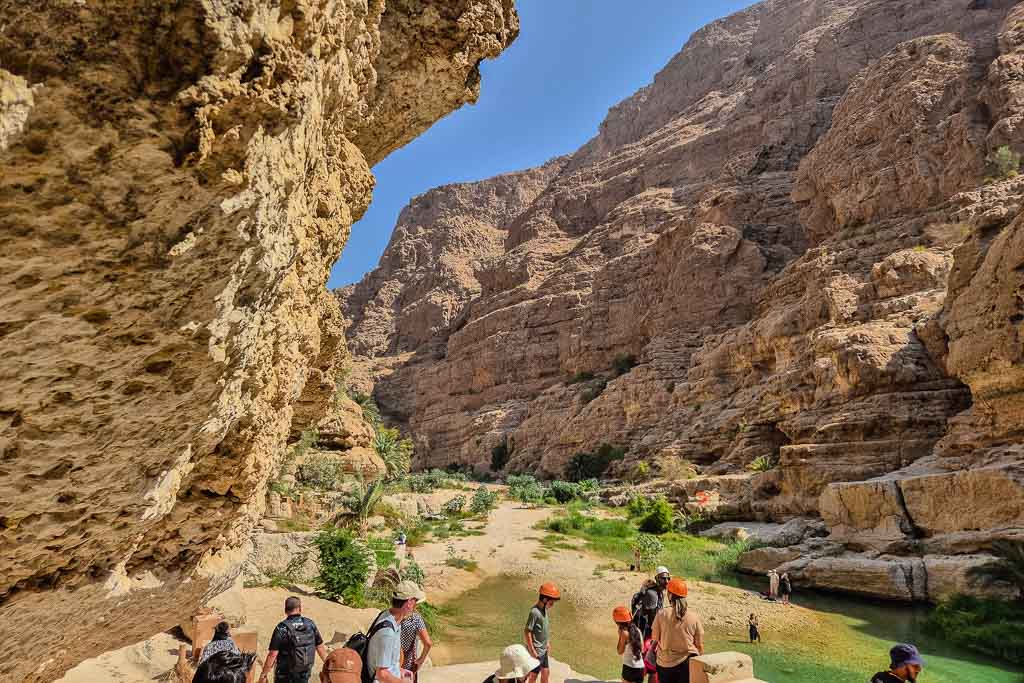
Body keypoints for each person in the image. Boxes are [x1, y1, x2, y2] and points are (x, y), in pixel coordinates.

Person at [367, 580, 426, 683]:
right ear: (409, 603)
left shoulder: (389, 617)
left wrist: (401, 671)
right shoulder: (387, 634)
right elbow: (382, 674)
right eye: (415, 602)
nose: (416, 606)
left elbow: (389, 663)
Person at [260, 596, 329, 683]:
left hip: (284, 674)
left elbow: (273, 654)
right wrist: (328, 665)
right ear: (300, 609)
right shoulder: (310, 624)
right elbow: (320, 647)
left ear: (285, 610)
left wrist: (263, 674)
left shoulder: (281, 628)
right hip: (304, 672)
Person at [650, 578, 704, 683]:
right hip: (686, 663)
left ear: (670, 595)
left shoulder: (662, 614)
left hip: (664, 664)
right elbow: (700, 645)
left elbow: (654, 638)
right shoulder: (694, 617)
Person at [525, 582, 560, 683]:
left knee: (546, 672)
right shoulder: (534, 612)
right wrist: (532, 650)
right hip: (537, 651)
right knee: (533, 676)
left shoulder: (544, 610)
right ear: (545, 599)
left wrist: (547, 642)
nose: (552, 605)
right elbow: (527, 631)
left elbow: (544, 628)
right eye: (551, 602)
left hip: (543, 650)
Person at [632, 566, 670, 639]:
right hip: (645, 631)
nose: (666, 581)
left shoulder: (660, 592)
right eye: (663, 578)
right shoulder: (652, 594)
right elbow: (652, 619)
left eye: (668, 578)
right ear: (656, 578)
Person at [399, 605, 432, 681]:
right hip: (409, 667)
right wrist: (420, 660)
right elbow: (428, 643)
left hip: (393, 666)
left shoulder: (393, 617)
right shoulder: (415, 619)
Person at [613, 606, 645, 683]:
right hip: (640, 668)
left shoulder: (624, 633)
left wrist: (620, 636)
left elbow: (620, 651)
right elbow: (642, 649)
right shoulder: (638, 630)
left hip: (629, 668)